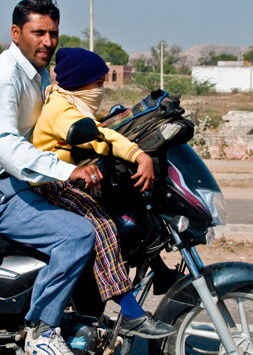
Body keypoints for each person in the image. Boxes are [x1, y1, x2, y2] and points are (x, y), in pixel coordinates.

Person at [0, 0, 99, 355]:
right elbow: (9, 145)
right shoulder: (2, 78)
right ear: (16, 32)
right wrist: (64, 170)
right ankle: (41, 330)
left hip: (21, 182)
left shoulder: (38, 73)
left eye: (53, 33)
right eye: (38, 32)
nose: (47, 41)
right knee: (76, 236)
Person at [30, 47, 175, 337]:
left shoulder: (69, 101)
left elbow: (99, 126)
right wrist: (138, 155)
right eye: (97, 84)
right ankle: (130, 311)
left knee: (125, 211)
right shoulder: (62, 110)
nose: (101, 89)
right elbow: (98, 135)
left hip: (64, 177)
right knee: (103, 226)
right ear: (80, 83)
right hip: (51, 183)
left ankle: (157, 271)